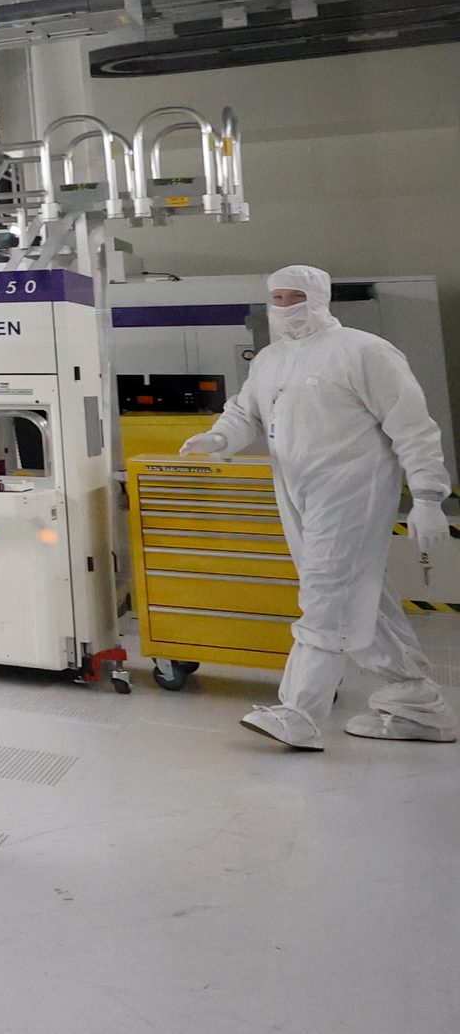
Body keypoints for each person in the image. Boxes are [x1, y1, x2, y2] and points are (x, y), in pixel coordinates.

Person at [183, 264, 456, 748]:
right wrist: (219, 437)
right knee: (358, 590)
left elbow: (412, 425)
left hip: (352, 486)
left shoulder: (364, 351)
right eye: (278, 298)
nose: (285, 307)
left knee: (327, 593)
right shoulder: (269, 359)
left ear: (319, 298)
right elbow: (245, 411)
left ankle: (300, 713)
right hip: (295, 490)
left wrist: (429, 495)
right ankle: (416, 702)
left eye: (295, 297)